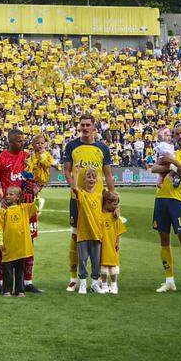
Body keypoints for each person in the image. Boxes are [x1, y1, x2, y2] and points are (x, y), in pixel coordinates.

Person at [59, 115, 115, 292]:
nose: (85, 127)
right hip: (78, 200)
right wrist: (74, 189)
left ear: (94, 127)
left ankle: (96, 279)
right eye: (82, 125)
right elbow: (67, 171)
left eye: (88, 125)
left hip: (97, 200)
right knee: (76, 236)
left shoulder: (102, 148)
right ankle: (74, 278)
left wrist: (114, 199)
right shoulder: (72, 146)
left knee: (98, 237)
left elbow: (108, 175)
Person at [0, 127, 37, 294]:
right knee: (5, 245)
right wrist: (2, 199)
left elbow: (36, 178)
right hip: (10, 208)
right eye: (19, 141)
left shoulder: (28, 157)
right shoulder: (1, 158)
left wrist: (35, 188)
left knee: (29, 242)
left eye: (23, 141)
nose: (23, 144)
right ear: (10, 141)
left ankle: (27, 282)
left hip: (27, 206)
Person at [151, 122, 181, 294]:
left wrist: (172, 161)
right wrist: (171, 164)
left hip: (178, 201)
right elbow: (154, 168)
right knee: (164, 240)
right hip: (161, 199)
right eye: (176, 134)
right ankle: (169, 280)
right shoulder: (167, 150)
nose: (179, 137)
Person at [0, 185, 36, 299]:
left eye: (11, 194)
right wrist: (0, 242)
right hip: (8, 246)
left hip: (21, 247)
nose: (7, 196)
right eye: (7, 194)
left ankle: (20, 290)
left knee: (20, 270)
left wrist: (35, 194)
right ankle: (6, 290)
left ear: (18, 197)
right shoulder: (3, 211)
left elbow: (35, 207)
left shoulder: (24, 209)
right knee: (7, 270)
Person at [95, 186, 126, 293]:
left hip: (112, 246)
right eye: (115, 204)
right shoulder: (100, 216)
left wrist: (118, 242)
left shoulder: (115, 217)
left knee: (113, 266)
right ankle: (104, 285)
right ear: (107, 202)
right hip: (103, 246)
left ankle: (114, 285)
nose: (117, 207)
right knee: (103, 267)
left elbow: (119, 231)